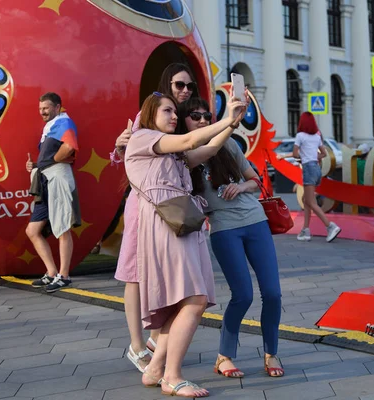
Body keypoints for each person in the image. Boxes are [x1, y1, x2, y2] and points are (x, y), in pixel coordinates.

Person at [125, 92, 245, 398]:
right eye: (168, 111)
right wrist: (227, 118)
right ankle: (172, 376)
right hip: (168, 226)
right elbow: (190, 142)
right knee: (194, 300)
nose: (174, 116)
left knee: (183, 303)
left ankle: (155, 370)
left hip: (181, 225)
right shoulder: (143, 138)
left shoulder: (169, 152)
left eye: (174, 112)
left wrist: (232, 125)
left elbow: (207, 149)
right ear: (151, 114)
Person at [181, 98, 284, 379]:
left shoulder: (229, 145)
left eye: (206, 115)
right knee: (243, 295)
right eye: (195, 116)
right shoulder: (183, 155)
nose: (202, 120)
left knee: (273, 293)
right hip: (224, 229)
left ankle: (271, 352)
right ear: (185, 122)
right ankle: (224, 355)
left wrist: (240, 186)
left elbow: (256, 182)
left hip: (256, 223)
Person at [110, 63, 201, 373]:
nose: (185, 90)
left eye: (189, 85)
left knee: (165, 277)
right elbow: (130, 151)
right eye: (179, 84)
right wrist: (121, 143)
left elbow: (193, 156)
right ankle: (140, 345)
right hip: (148, 206)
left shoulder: (189, 116)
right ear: (167, 84)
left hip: (177, 208)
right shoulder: (154, 112)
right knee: (136, 272)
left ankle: (157, 344)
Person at [26, 92, 81, 293]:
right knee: (32, 230)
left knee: (62, 228)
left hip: (57, 178)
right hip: (45, 180)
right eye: (40, 109)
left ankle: (64, 276)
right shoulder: (51, 126)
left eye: (46, 108)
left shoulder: (64, 123)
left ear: (57, 107)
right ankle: (51, 272)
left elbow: (69, 148)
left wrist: (53, 160)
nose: (42, 112)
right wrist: (36, 165)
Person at [293, 112, 342, 242]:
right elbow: (324, 153)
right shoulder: (316, 136)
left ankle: (330, 226)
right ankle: (305, 230)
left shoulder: (300, 136)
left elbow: (295, 153)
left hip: (308, 168)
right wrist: (314, 157)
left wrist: (303, 157)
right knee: (306, 199)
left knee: (310, 201)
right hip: (316, 169)